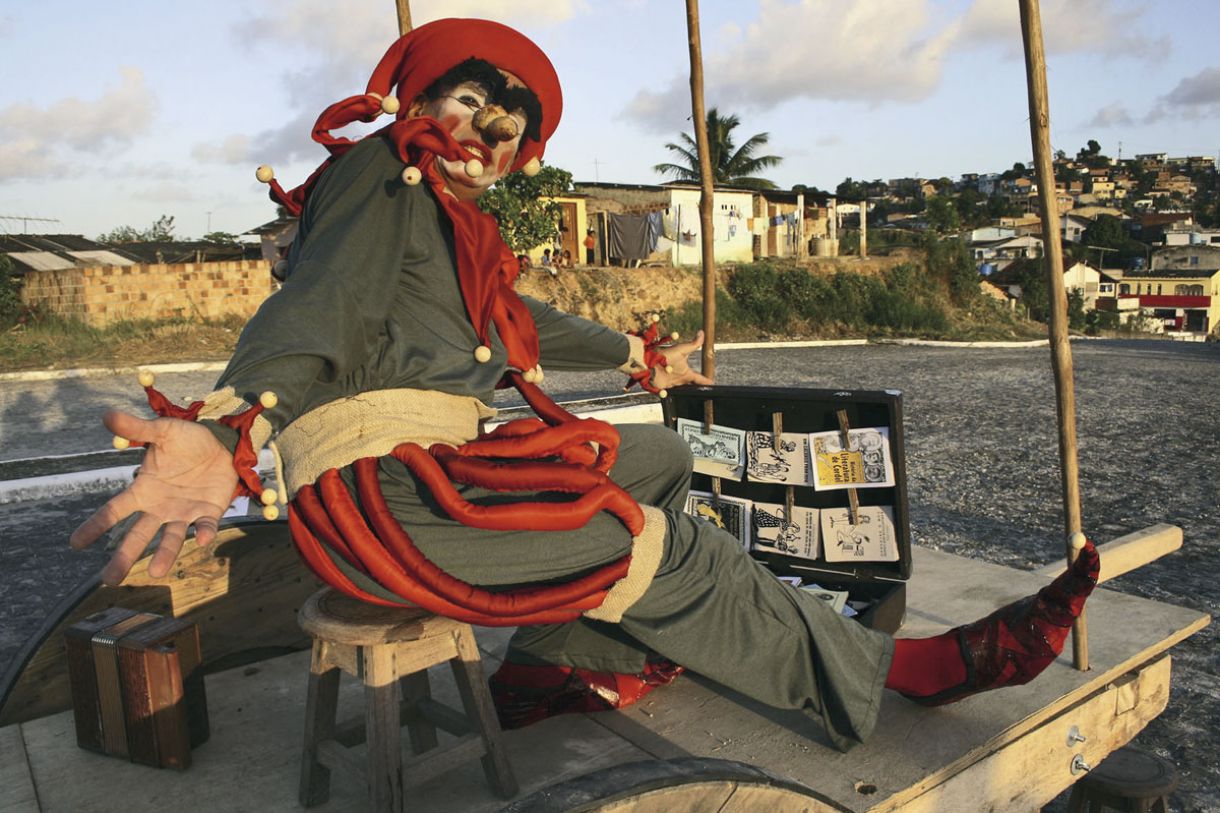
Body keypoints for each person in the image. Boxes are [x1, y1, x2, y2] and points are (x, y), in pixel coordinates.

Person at [71, 18, 1098, 751]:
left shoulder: (451, 228)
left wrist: (639, 361)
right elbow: (318, 304)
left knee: (654, 454)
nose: (487, 128)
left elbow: (525, 327)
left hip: (427, 469)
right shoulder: (388, 176)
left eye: (509, 121)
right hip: (389, 497)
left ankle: (546, 665)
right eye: (470, 100)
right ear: (421, 101)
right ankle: (909, 675)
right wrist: (223, 424)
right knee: (661, 540)